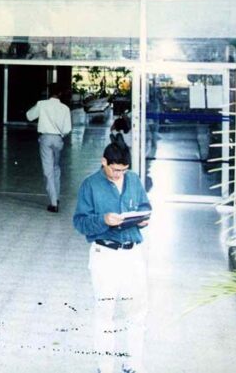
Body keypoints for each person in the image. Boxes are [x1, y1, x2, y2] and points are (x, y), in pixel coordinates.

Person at [73, 140, 152, 373]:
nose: (119, 175)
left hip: (133, 254)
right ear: (103, 162)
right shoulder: (90, 185)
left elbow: (145, 205)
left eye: (124, 171)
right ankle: (104, 367)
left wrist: (144, 218)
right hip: (104, 255)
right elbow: (80, 222)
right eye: (115, 170)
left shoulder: (134, 180)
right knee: (105, 312)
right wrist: (103, 220)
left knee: (137, 312)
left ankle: (133, 364)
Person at [26, 89, 72, 212]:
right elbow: (67, 129)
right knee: (56, 167)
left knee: (48, 170)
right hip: (58, 140)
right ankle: (56, 196)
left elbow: (29, 116)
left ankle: (53, 203)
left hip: (45, 138)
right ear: (60, 95)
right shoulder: (65, 108)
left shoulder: (42, 104)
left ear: (48, 93)